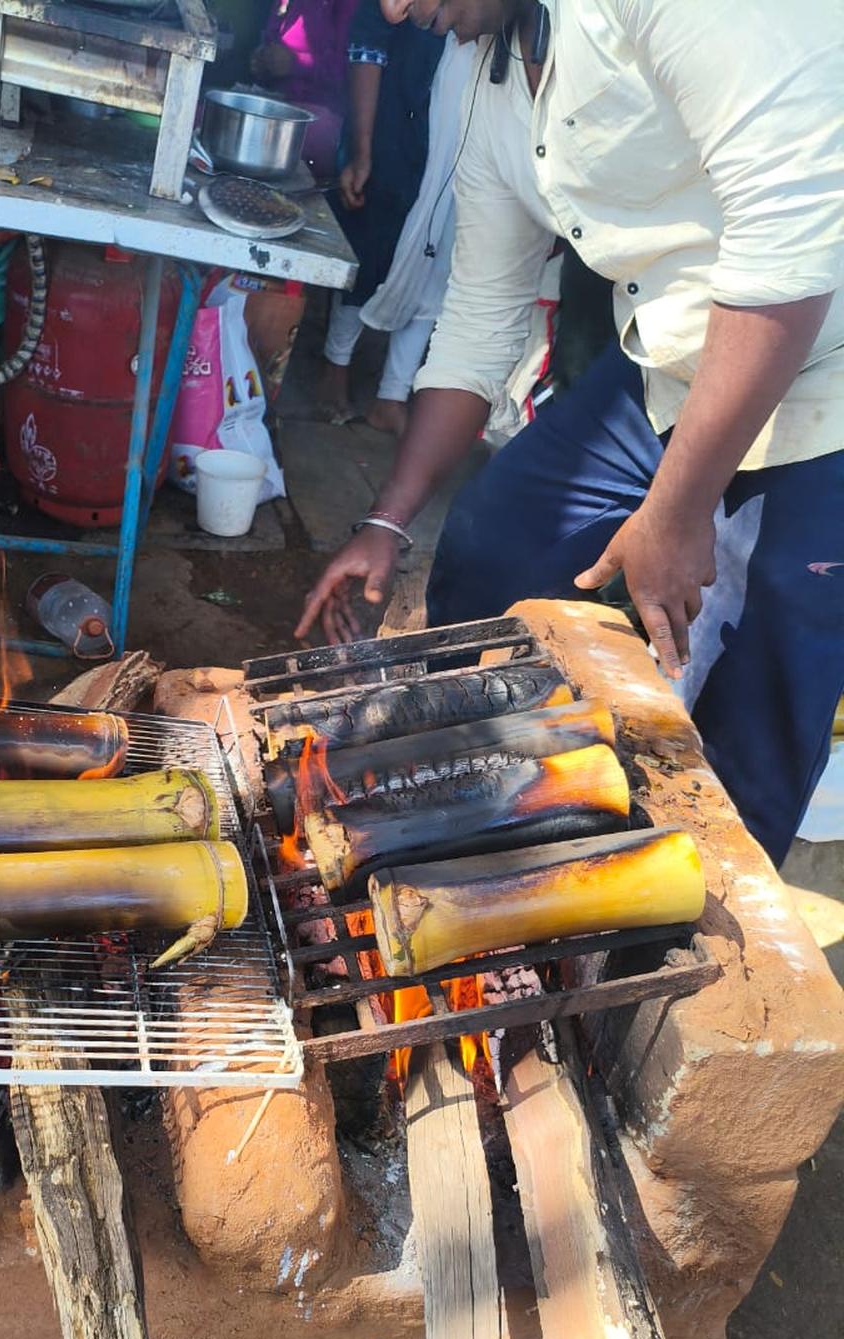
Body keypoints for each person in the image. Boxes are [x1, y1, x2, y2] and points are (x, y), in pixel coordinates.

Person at [297, 0, 844, 866]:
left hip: (824, 370)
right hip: (677, 357)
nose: (398, 9)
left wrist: (676, 511)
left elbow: (790, 251)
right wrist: (387, 523)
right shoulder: (480, 67)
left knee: (747, 700)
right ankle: (474, 811)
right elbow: (480, 312)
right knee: (496, 542)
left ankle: (690, 952)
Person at [320, 0, 448, 434]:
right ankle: (335, 365)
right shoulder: (391, 14)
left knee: (436, 261)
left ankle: (392, 395)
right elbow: (368, 47)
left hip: (451, 142)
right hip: (389, 126)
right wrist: (362, 151)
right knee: (370, 247)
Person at [250, 0, 358, 178]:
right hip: (277, 102)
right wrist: (262, 61)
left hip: (321, 115)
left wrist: (295, 65)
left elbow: (352, 70)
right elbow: (272, 41)